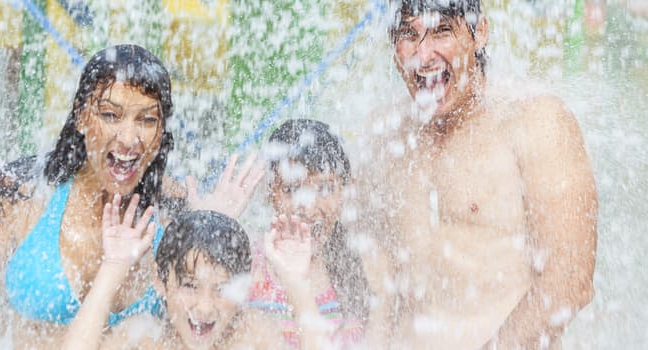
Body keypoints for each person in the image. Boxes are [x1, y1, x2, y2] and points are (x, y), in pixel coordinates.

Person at [0, 44, 263, 348]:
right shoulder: (25, 191)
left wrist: (212, 228)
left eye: (147, 120)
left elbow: (203, 325)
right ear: (81, 115)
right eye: (110, 115)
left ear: (163, 128)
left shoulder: (173, 206)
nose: (129, 138)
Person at [357, 0, 598, 348]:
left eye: (441, 31)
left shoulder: (535, 122)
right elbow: (361, 263)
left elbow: (570, 281)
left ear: (479, 32)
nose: (423, 56)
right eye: (409, 34)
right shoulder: (386, 136)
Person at [61, 204, 292, 350]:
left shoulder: (253, 335)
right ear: (160, 282)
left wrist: (297, 283)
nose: (204, 308)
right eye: (190, 286)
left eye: (220, 289)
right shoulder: (143, 338)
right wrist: (112, 268)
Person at [250, 119, 394, 349]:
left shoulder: (366, 268)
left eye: (325, 188)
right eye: (291, 189)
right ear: (269, 192)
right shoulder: (248, 268)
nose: (308, 207)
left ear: (346, 191)